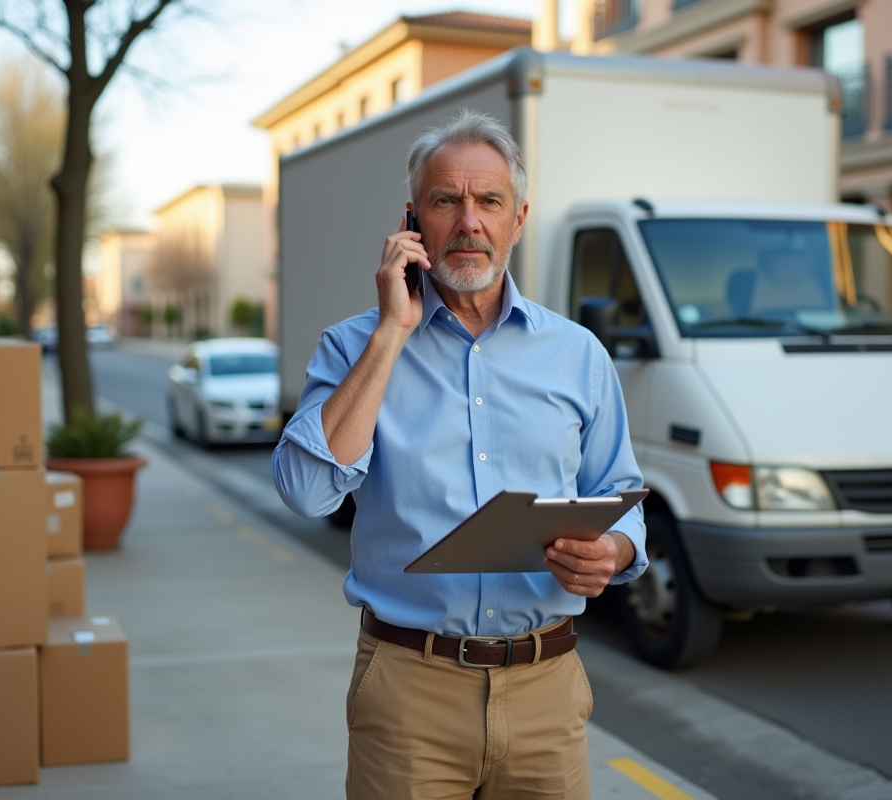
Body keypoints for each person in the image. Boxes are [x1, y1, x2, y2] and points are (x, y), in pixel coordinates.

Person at [273, 108, 646, 800]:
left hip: (547, 691)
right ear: (413, 222)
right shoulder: (353, 347)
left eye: (489, 202)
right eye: (447, 201)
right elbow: (304, 490)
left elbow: (619, 489)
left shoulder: (578, 356)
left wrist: (614, 552)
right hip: (409, 689)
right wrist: (392, 332)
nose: (469, 222)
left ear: (519, 219)